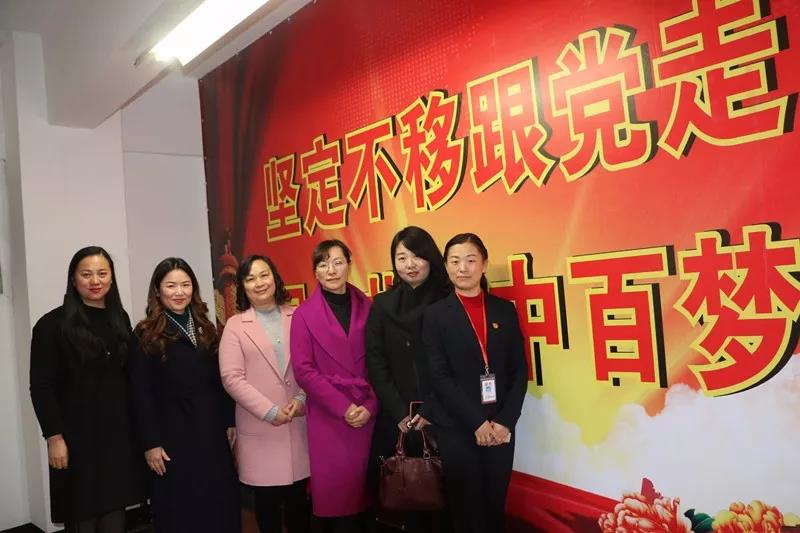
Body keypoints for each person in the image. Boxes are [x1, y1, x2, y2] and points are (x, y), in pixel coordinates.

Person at [29, 246, 144, 533]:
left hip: (117, 437)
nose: (95, 281)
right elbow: (41, 386)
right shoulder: (51, 325)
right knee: (82, 515)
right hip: (75, 439)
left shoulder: (120, 319)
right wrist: (54, 437)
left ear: (111, 278)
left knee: (115, 512)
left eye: (102, 273)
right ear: (73, 279)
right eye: (86, 274)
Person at [422, 233, 528, 533]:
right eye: (455, 261)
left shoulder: (504, 310)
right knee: (465, 511)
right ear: (446, 266)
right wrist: (476, 423)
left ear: (484, 264)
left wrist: (506, 421)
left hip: (500, 427)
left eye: (470, 260)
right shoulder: (434, 315)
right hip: (457, 427)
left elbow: (519, 370)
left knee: (495, 506)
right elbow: (439, 376)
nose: (463, 268)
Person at [128, 257, 240, 533]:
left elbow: (220, 379)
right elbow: (140, 394)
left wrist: (229, 421)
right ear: (157, 291)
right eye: (171, 286)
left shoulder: (206, 326)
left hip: (210, 431)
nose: (179, 292)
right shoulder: (145, 333)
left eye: (186, 285)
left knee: (218, 502)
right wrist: (150, 443)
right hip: (172, 438)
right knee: (181, 508)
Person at [365, 227, 450, 531]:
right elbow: (375, 360)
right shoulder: (383, 304)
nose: (410, 264)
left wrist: (431, 410)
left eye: (417, 256)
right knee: (408, 497)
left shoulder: (448, 299)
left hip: (445, 414)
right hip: (398, 417)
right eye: (401, 257)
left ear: (431, 258)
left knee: (449, 499)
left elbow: (458, 363)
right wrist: (400, 411)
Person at [290, 239, 377, 533]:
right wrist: (344, 408)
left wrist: (370, 405)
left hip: (368, 412)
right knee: (338, 504)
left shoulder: (370, 306)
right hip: (330, 417)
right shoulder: (303, 315)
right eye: (323, 264)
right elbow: (304, 371)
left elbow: (382, 362)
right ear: (315, 271)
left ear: (349, 265)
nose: (331, 270)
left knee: (369, 499)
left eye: (338, 262)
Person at [219, 254, 310, 533]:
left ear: (275, 278)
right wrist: (269, 411)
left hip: (297, 426)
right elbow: (231, 378)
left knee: (299, 507)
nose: (259, 283)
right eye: (250, 278)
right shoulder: (235, 325)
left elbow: (314, 366)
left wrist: (302, 399)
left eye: (264, 275)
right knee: (267, 509)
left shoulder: (299, 315)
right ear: (242, 286)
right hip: (260, 428)